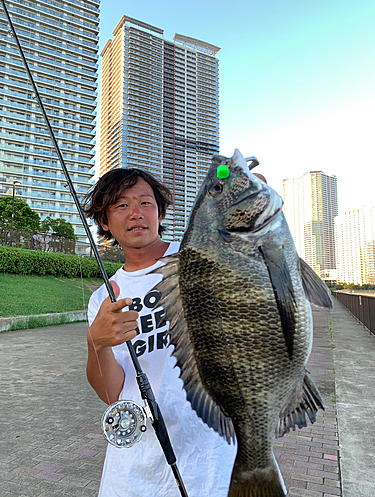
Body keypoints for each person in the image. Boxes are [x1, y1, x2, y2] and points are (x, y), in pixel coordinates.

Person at [83, 167, 286, 497]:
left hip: (217, 455)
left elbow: (249, 244)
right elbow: (110, 394)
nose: (136, 214)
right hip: (137, 467)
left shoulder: (200, 253)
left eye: (146, 203)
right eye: (121, 206)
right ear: (104, 221)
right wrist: (98, 344)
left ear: (160, 212)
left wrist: (247, 194)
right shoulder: (104, 297)